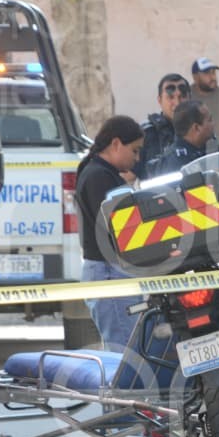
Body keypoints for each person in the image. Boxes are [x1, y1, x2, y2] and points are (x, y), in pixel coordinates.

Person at [75, 116, 144, 351]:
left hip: (111, 272)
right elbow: (120, 228)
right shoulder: (99, 177)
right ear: (116, 144)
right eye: (134, 150)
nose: (137, 158)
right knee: (126, 354)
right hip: (109, 273)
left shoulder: (102, 173)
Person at [135, 73, 189, 178]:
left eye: (182, 96)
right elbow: (129, 176)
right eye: (170, 97)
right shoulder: (146, 134)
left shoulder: (200, 129)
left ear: (190, 98)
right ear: (160, 100)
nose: (177, 103)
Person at [150, 99, 215, 176]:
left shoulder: (207, 148)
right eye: (210, 120)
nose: (213, 124)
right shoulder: (176, 161)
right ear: (197, 128)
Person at [190, 57, 219, 144]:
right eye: (207, 73)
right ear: (195, 77)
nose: (212, 77)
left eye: (213, 72)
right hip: (198, 154)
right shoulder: (187, 96)